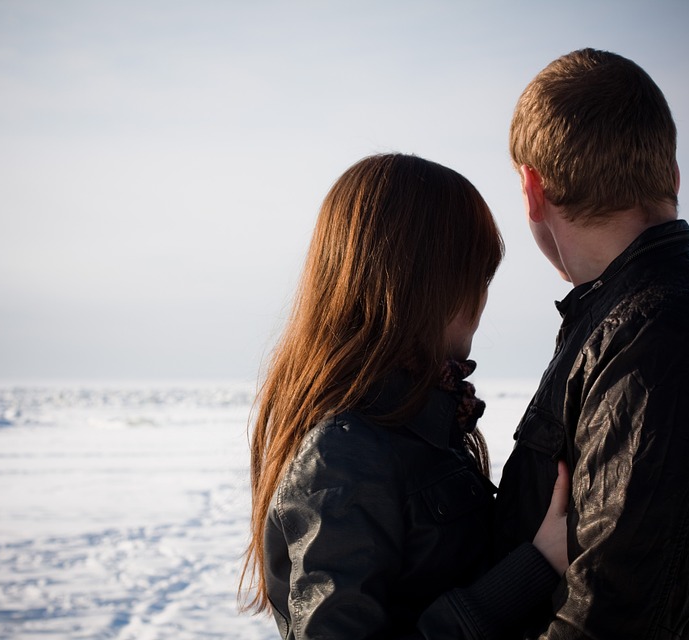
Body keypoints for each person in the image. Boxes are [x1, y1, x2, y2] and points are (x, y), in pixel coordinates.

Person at [491, 48, 689, 639]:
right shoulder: (649, 317)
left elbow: (605, 622)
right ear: (673, 178)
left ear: (531, 189)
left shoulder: (655, 342)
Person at [240, 153, 571, 638]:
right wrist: (534, 568)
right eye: (476, 275)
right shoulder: (343, 454)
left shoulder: (423, 420)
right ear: (421, 283)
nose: (483, 299)